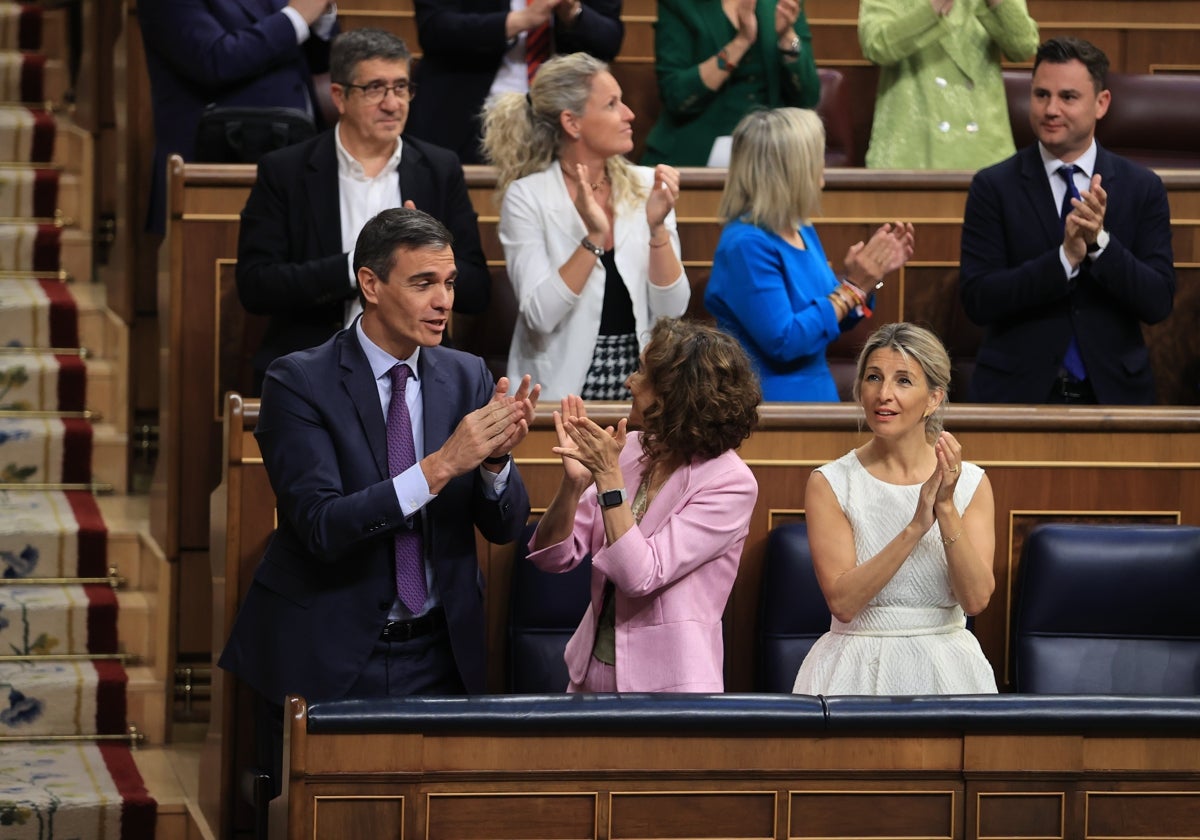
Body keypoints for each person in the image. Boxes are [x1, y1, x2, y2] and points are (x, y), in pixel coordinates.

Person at [218, 207, 538, 794]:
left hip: (442, 652)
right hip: (333, 650)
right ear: (370, 284)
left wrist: (494, 462)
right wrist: (442, 465)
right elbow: (320, 524)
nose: (443, 301)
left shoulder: (467, 375)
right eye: (423, 284)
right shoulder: (299, 381)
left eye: (448, 284)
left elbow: (505, 527)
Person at [236, 28, 490, 393]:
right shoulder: (286, 170)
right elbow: (257, 285)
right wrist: (357, 267)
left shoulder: (439, 168)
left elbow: (478, 289)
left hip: (418, 370)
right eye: (375, 89)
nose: (392, 103)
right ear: (338, 96)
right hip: (313, 371)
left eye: (401, 87)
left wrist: (422, 266)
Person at [528, 317, 761, 692]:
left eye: (641, 373)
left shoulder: (730, 484)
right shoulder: (634, 449)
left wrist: (606, 477)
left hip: (670, 687)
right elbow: (551, 557)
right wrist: (572, 487)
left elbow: (641, 575)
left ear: (676, 395)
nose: (629, 382)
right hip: (589, 673)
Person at [960, 37, 1175, 404]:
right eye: (1041, 94)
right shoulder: (993, 186)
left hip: (1114, 396)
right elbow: (979, 299)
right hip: (1015, 396)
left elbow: (1157, 302)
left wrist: (1099, 245)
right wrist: (1064, 259)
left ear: (1101, 103)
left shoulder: (1143, 188)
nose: (1051, 109)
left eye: (1068, 97)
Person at [793, 322, 997, 695]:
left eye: (903, 381)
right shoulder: (831, 483)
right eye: (874, 377)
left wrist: (946, 508)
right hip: (852, 668)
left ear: (933, 399)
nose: (883, 394)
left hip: (948, 669)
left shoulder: (971, 483)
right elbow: (843, 602)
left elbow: (976, 599)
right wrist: (916, 526)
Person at [483, 52, 691, 401]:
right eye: (612, 104)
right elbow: (540, 315)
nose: (630, 114)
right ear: (572, 122)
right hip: (557, 395)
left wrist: (657, 229)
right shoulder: (527, 196)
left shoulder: (647, 186)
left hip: (640, 389)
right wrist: (593, 237)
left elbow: (673, 309)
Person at [704, 108, 914, 401]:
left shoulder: (799, 228)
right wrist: (851, 288)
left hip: (817, 397)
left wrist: (864, 282)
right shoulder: (746, 245)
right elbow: (786, 341)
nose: (822, 166)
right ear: (791, 170)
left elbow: (829, 319)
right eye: (815, 156)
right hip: (770, 408)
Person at [138, 0, 337, 233]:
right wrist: (296, 17)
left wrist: (320, 16)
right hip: (212, 174)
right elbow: (214, 60)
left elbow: (314, 60)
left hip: (296, 166)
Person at [406, 0, 624, 164]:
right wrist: (522, 20)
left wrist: (573, 13)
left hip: (560, 121)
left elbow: (610, 41)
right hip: (466, 117)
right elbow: (434, 29)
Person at [858, 0, 1039, 170]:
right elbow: (876, 46)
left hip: (984, 147)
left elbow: (1023, 47)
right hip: (911, 147)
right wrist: (932, 9)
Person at [642, 0, 820, 167]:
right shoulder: (680, 4)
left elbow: (808, 96)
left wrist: (788, 37)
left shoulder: (782, 4)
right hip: (696, 148)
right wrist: (741, 42)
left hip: (771, 150)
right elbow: (676, 95)